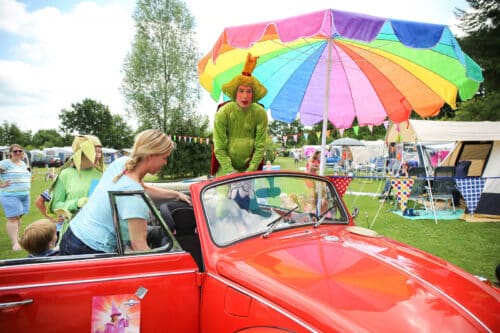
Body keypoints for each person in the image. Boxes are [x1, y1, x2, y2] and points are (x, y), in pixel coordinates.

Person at [59, 129, 191, 255]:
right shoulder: (133, 195)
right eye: (164, 157)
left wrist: (175, 194)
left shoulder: (122, 163)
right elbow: (139, 246)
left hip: (73, 234)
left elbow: (143, 187)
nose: (165, 163)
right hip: (89, 248)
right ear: (151, 155)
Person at [213, 53, 268, 176]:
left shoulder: (260, 113)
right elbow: (219, 147)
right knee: (224, 196)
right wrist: (230, 172)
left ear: (253, 94)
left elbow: (260, 146)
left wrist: (249, 172)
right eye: (241, 91)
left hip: (250, 172)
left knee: (249, 196)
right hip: (225, 172)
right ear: (235, 92)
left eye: (249, 91)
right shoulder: (223, 113)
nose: (245, 96)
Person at [47, 135, 104, 241]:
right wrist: (77, 203)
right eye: (95, 152)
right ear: (82, 152)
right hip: (72, 233)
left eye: (100, 152)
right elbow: (56, 205)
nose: (99, 156)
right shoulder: (66, 174)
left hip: (97, 234)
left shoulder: (101, 175)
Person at [0, 144, 32, 251]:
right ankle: (15, 243)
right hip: (10, 195)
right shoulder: (5, 163)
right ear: (10, 153)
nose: (18, 153)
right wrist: (0, 185)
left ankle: (17, 238)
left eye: (20, 151)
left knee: (18, 217)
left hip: (24, 195)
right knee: (13, 219)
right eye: (15, 151)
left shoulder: (22, 163)